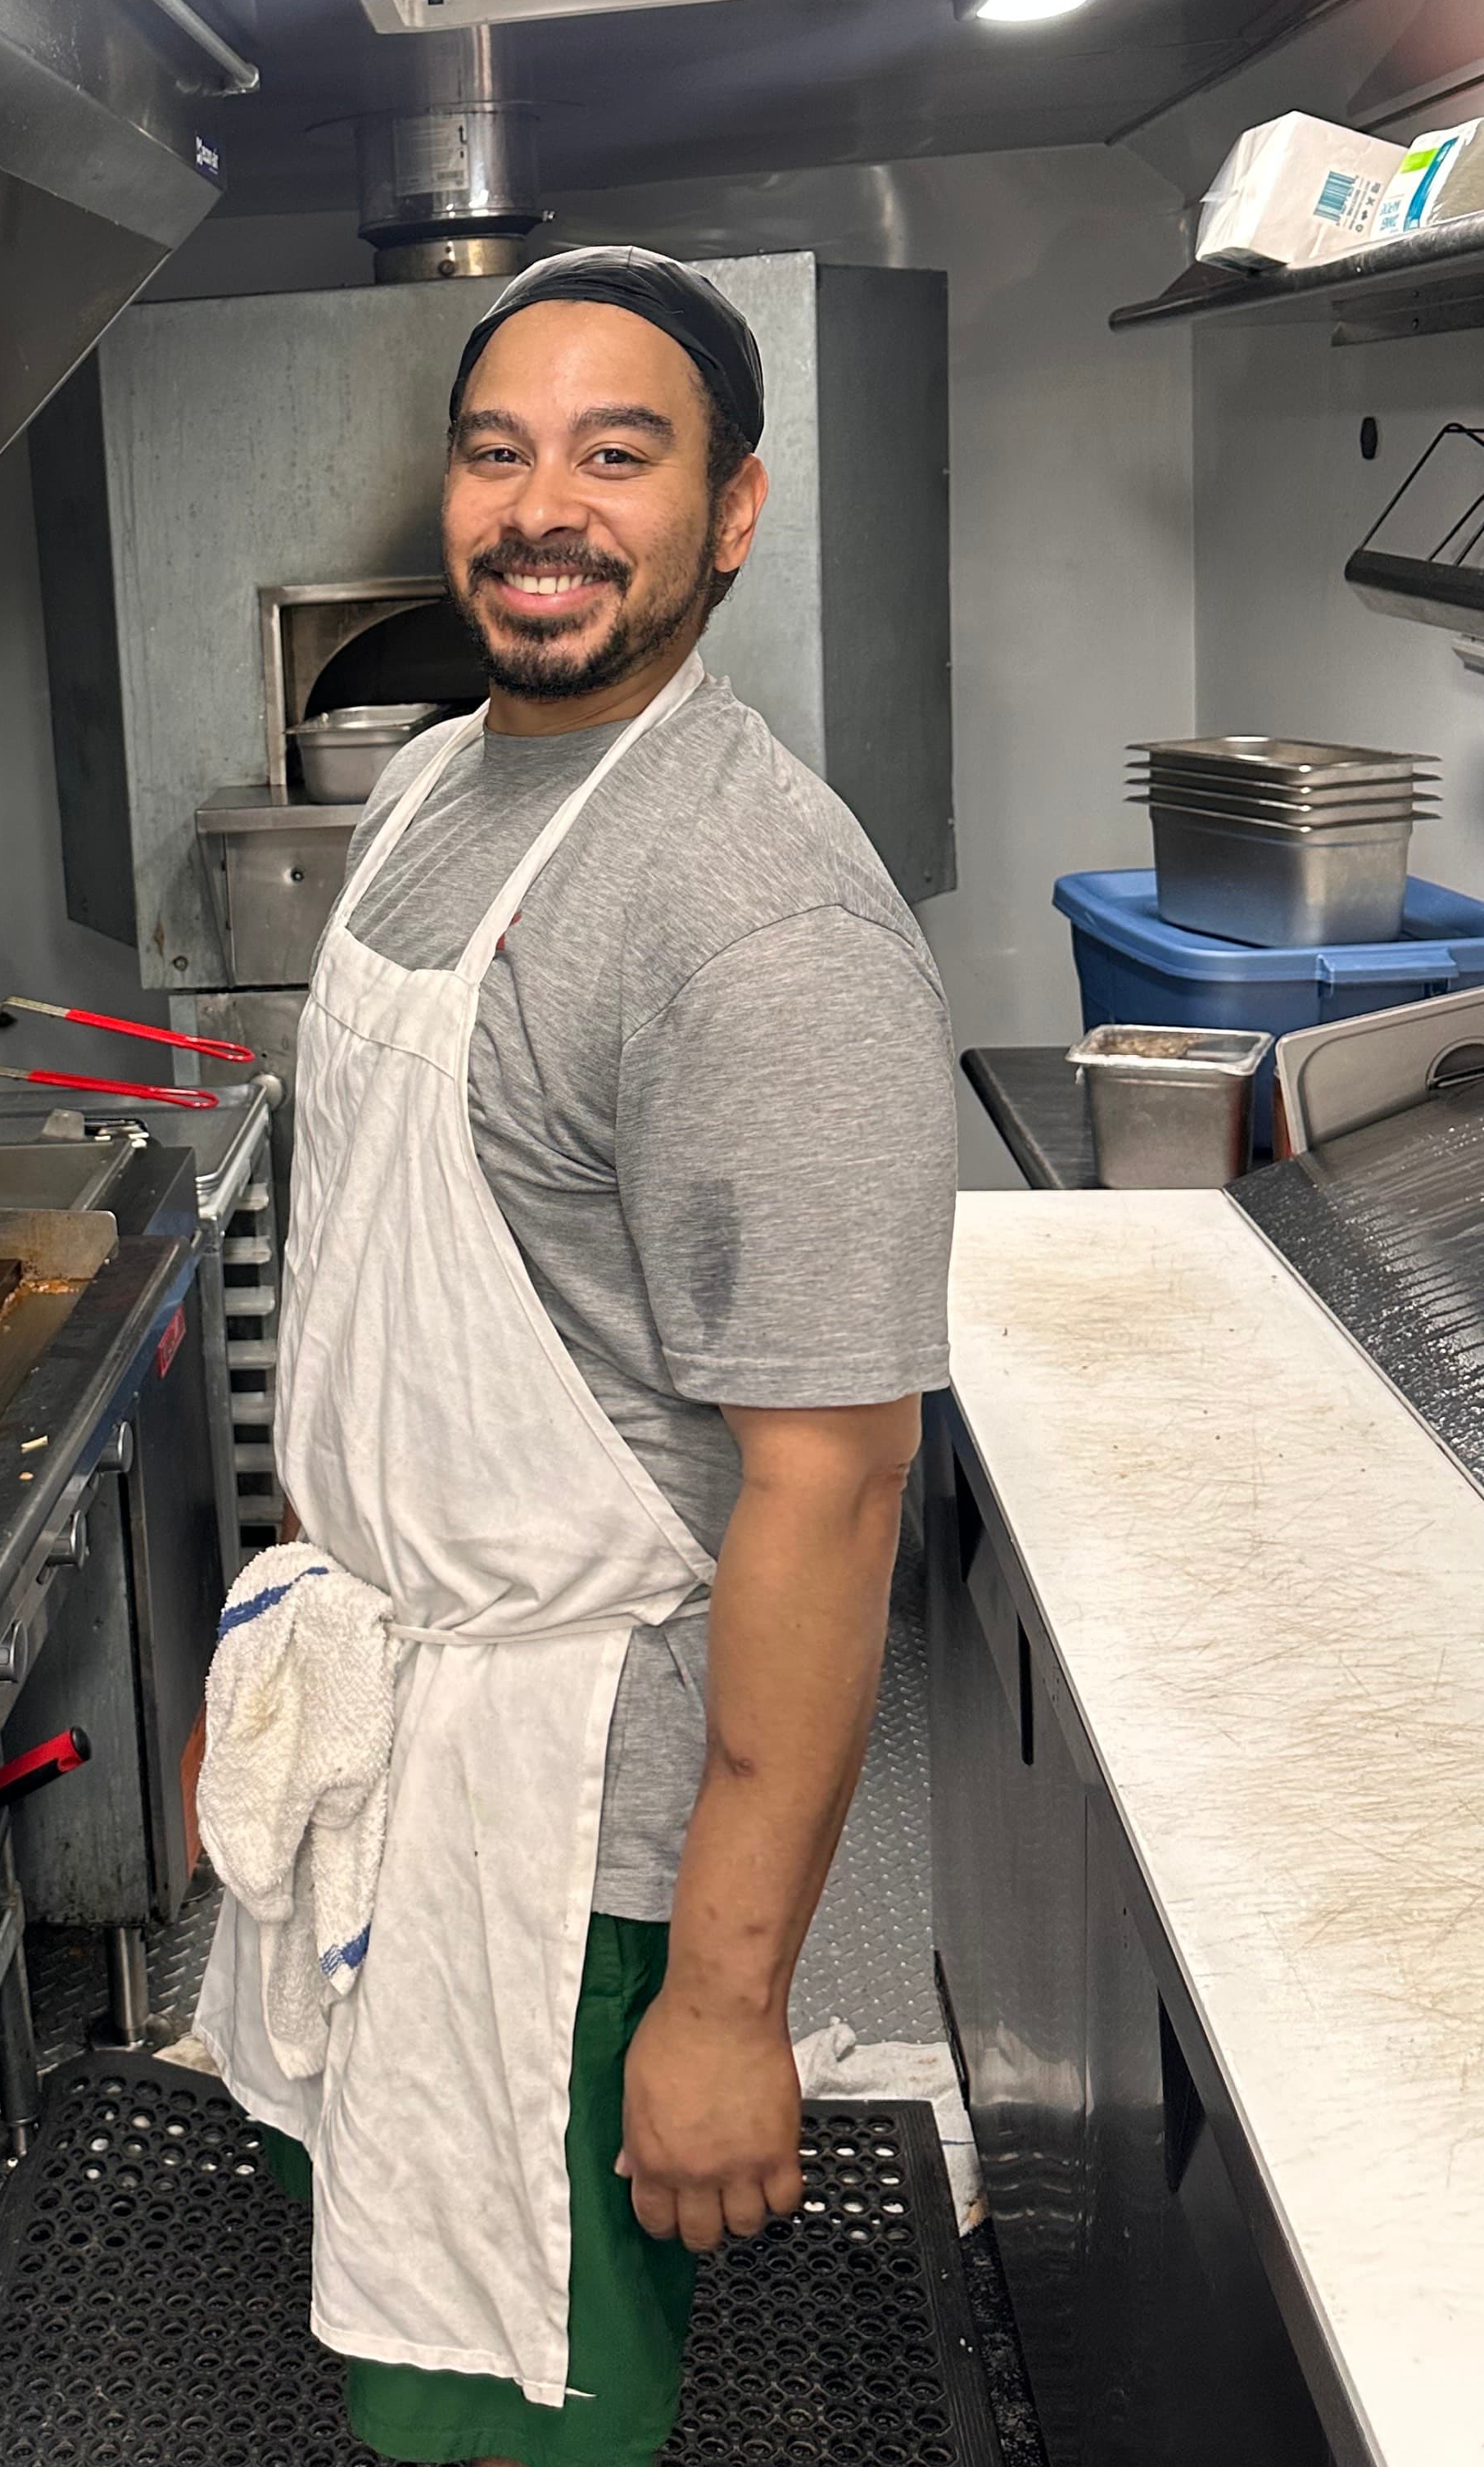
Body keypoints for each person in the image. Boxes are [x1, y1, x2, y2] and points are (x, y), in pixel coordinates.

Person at [195, 247, 957, 2467]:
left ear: (733, 511)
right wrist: (293, 1654)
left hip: (571, 1832)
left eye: (620, 456)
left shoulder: (762, 926)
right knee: (392, 2342)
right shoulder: (440, 786)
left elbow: (830, 1486)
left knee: (512, 2400)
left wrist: (723, 2004)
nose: (546, 507)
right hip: (382, 1738)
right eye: (500, 449)